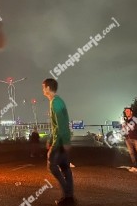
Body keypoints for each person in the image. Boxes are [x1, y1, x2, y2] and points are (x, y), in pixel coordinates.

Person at [42, 78, 75, 206]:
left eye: (43, 87)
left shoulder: (55, 103)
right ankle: (69, 197)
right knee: (65, 168)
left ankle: (67, 195)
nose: (43, 90)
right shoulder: (57, 101)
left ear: (48, 88)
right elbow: (56, 126)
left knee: (52, 165)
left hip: (61, 141)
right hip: (62, 140)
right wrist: (51, 139)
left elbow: (61, 125)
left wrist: (55, 145)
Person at [122, 108, 137, 172]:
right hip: (128, 138)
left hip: (135, 138)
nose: (126, 112)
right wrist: (124, 128)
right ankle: (135, 166)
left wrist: (130, 126)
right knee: (131, 153)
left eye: (127, 111)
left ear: (131, 112)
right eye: (125, 112)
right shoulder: (126, 121)